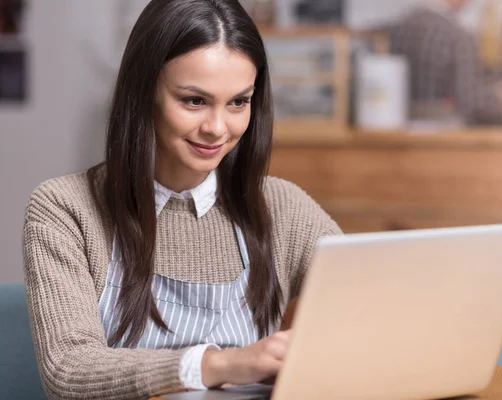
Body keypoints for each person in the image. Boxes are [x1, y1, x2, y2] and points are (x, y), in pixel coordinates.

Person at [21, 0, 342, 398]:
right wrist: (224, 364)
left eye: (238, 102)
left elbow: (370, 307)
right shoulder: (65, 209)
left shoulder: (283, 206)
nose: (217, 128)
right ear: (144, 92)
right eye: (194, 101)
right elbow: (69, 368)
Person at [389, 0, 502, 125]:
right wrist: (500, 99)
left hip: (398, 134)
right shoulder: (459, 37)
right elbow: (469, 105)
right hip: (446, 136)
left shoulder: (398, 30)